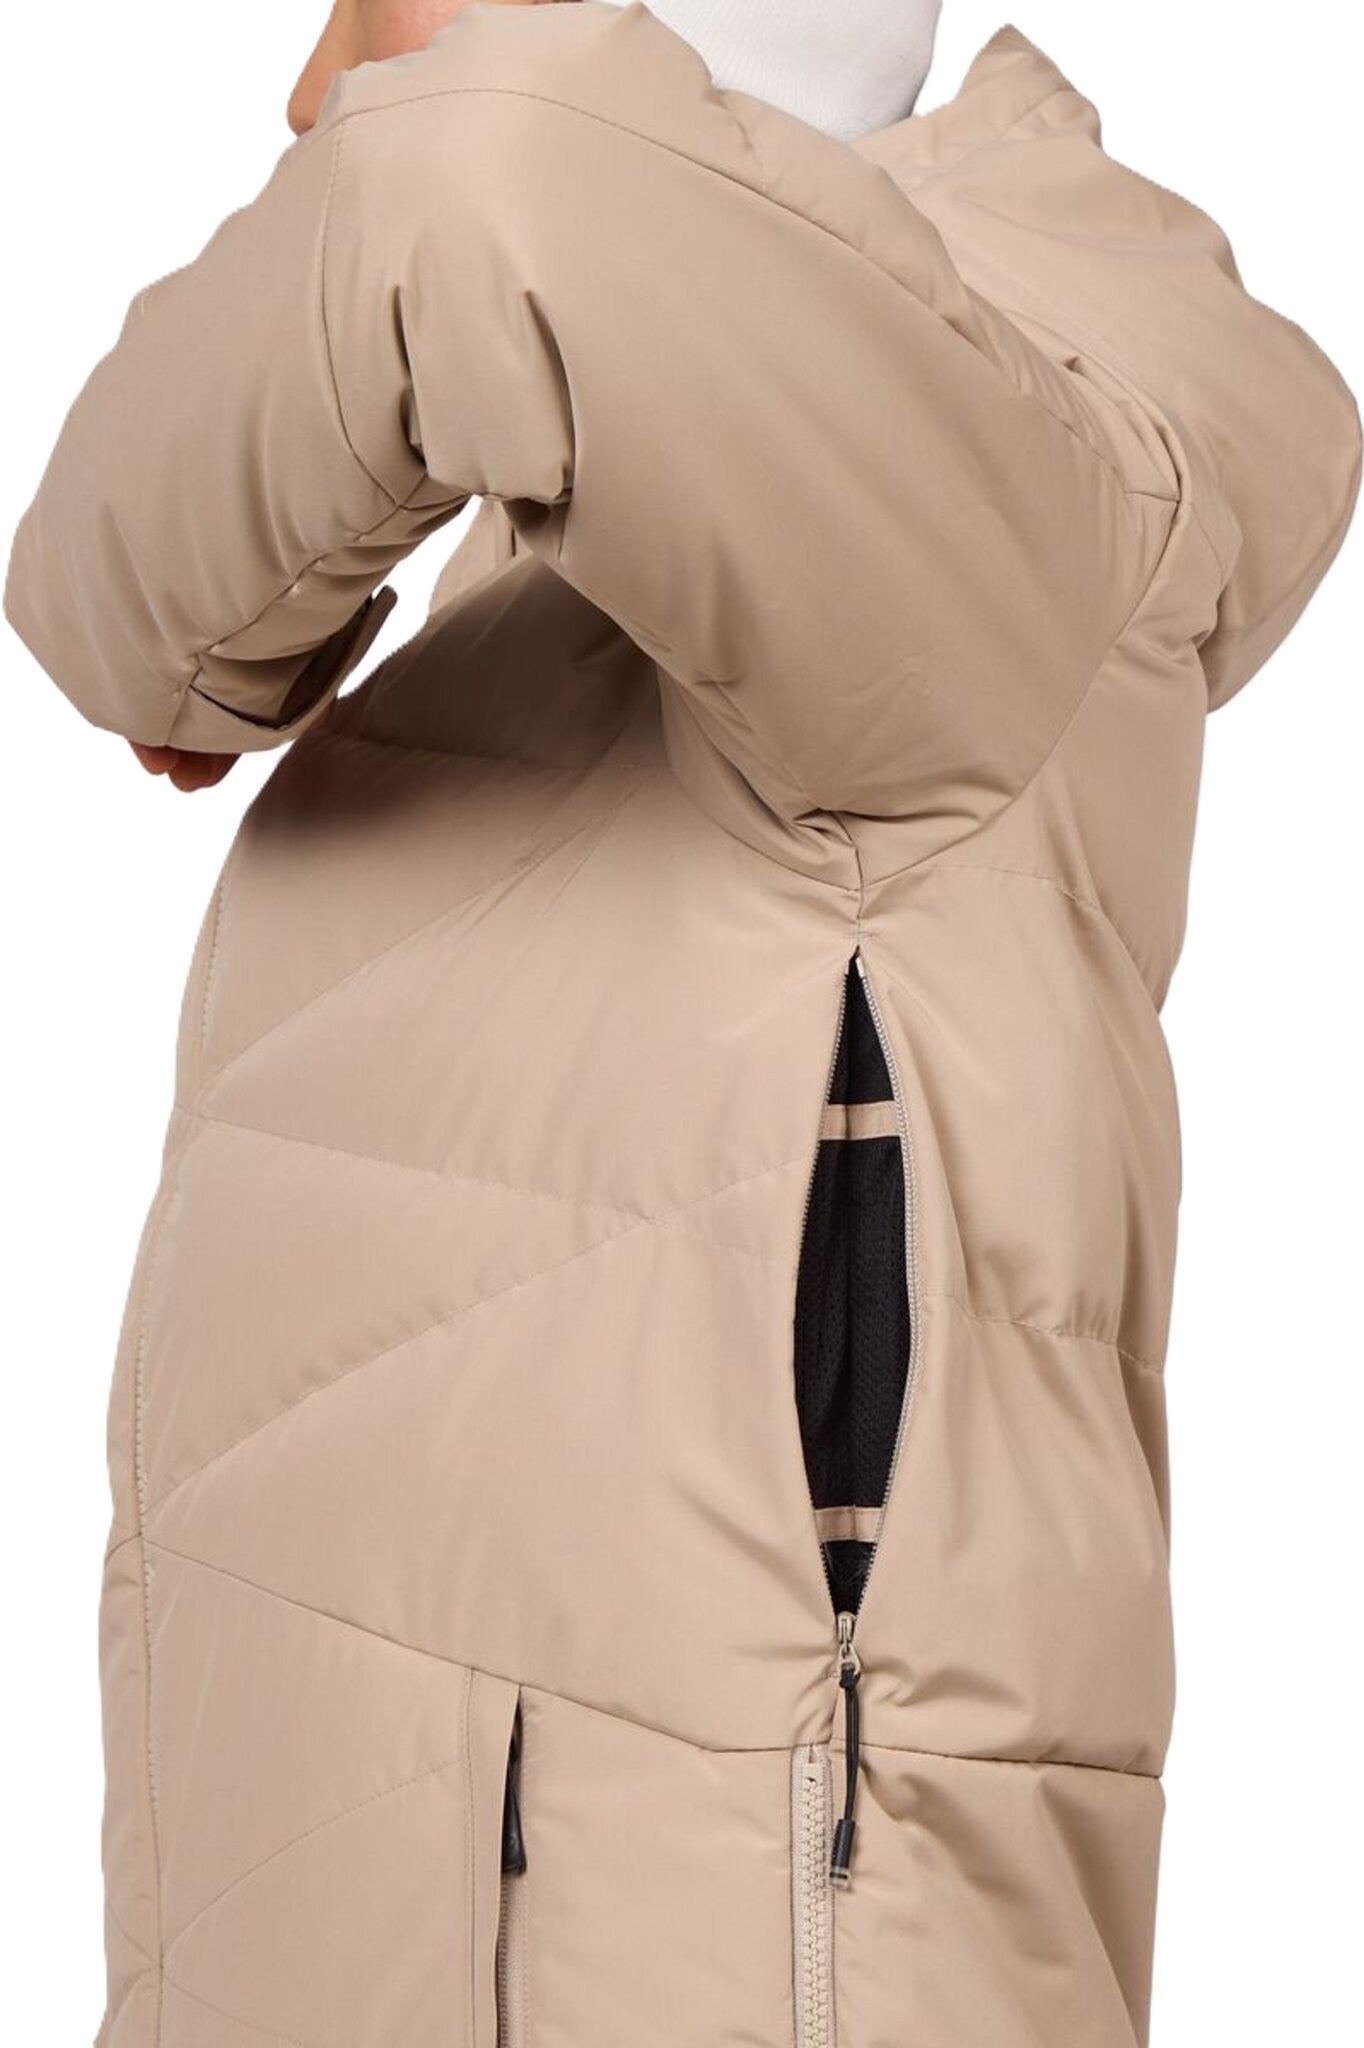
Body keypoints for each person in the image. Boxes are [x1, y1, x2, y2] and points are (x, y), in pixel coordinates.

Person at [5, 2, 1358, 2042]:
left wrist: (402, 66)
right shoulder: (625, 503)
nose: (321, 73)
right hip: (370, 1899)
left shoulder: (1015, 438)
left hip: (691, 1930)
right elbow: (128, 622)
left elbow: (467, 176)